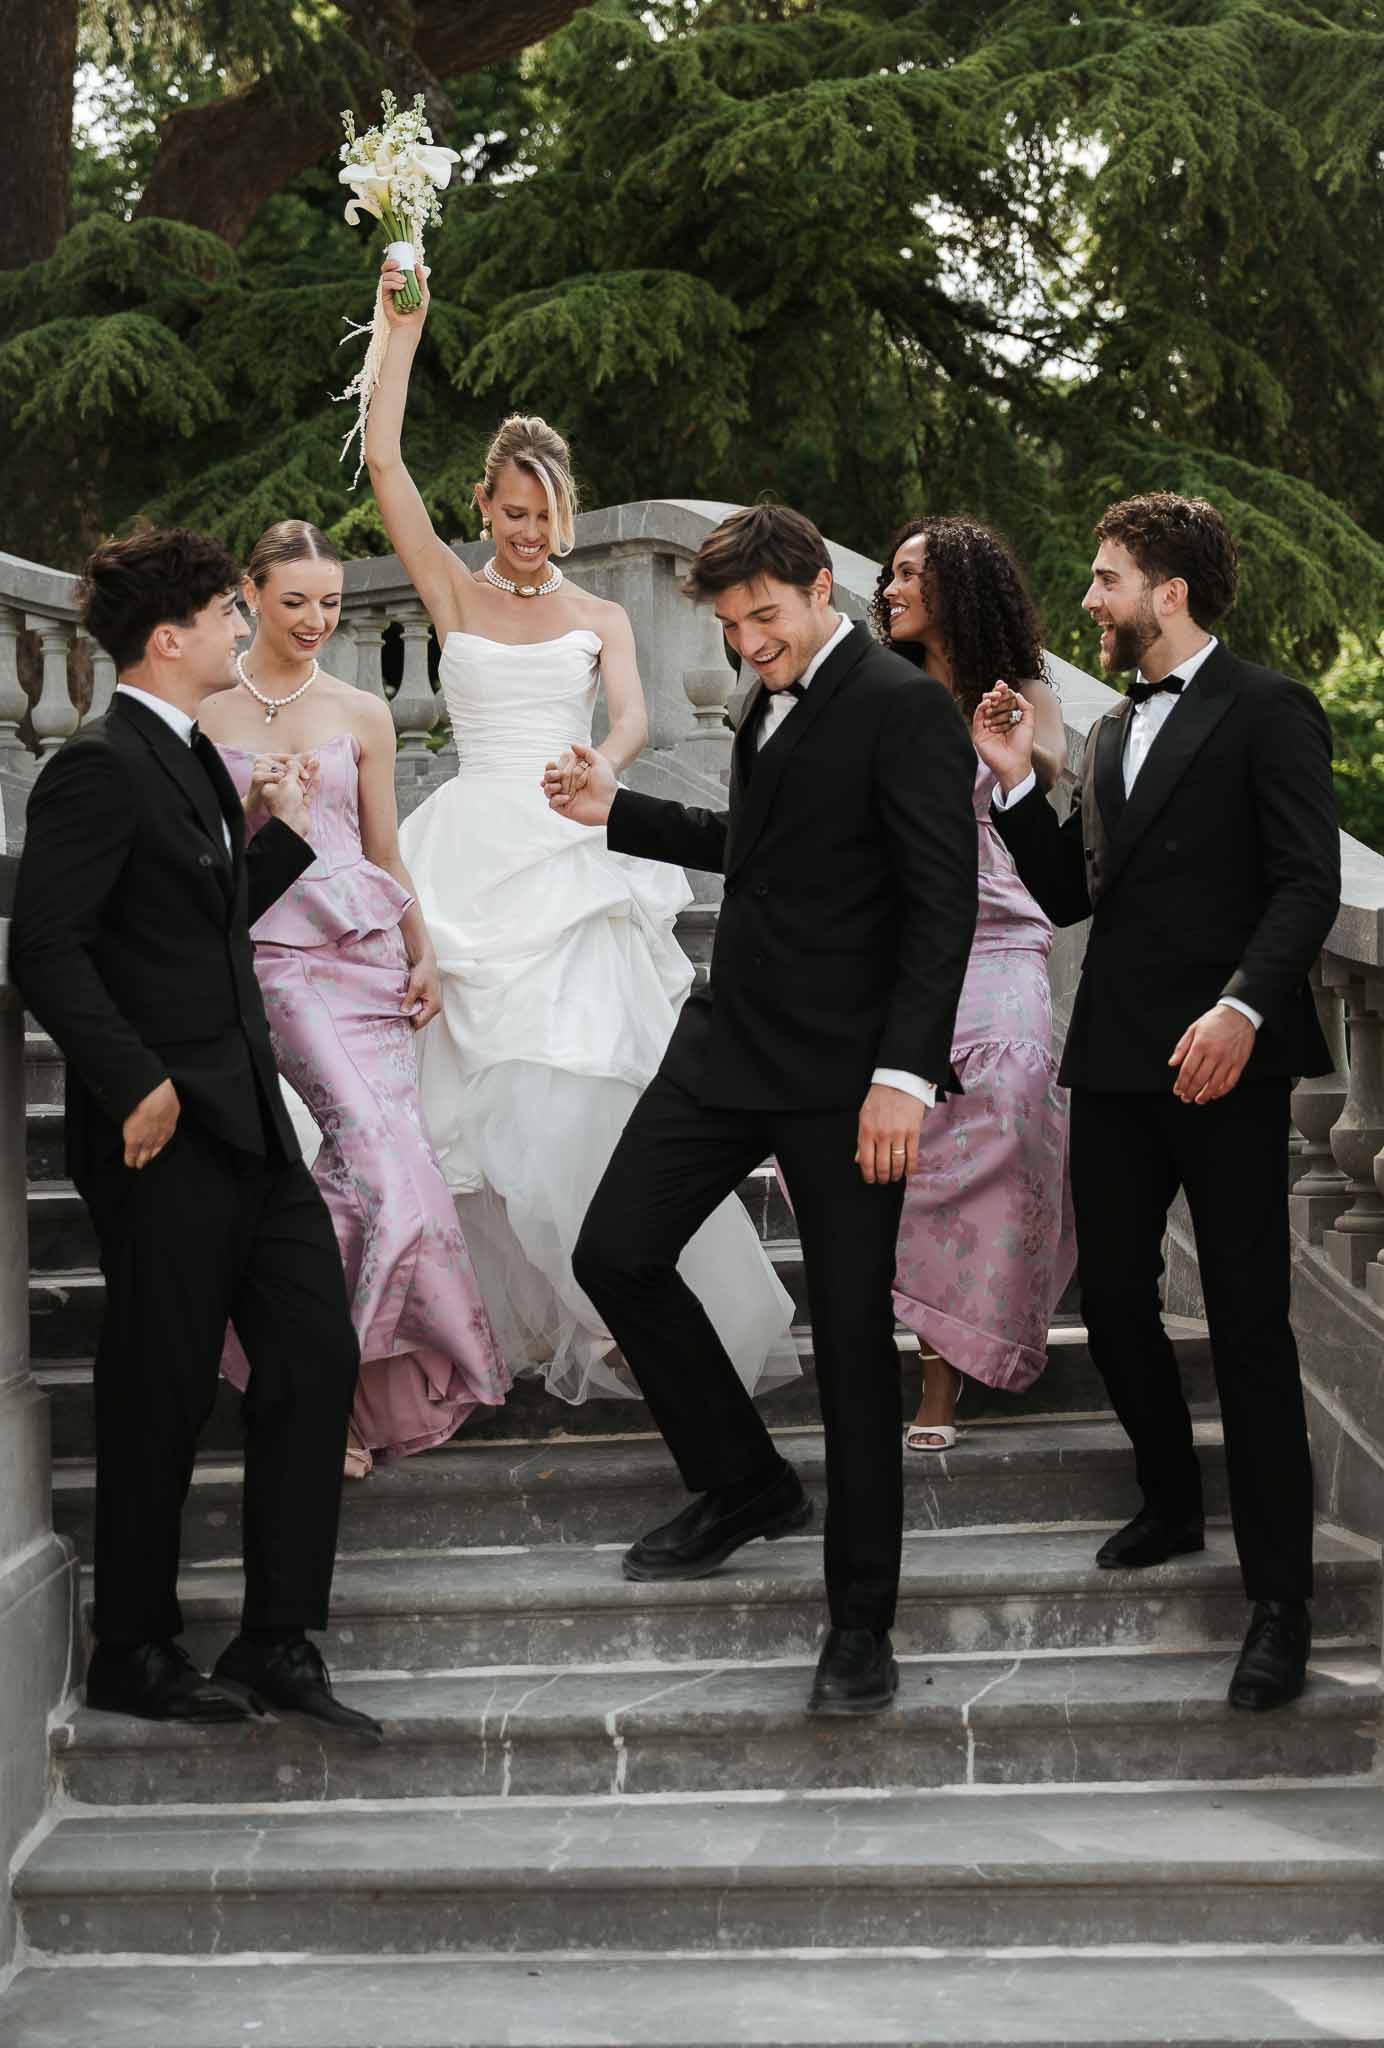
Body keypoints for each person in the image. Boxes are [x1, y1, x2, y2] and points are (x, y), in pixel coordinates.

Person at [545, 503, 979, 1717]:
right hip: (726, 1042)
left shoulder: (903, 707)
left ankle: (860, 1622)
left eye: (764, 617)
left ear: (820, 587)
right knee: (614, 1249)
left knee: (849, 1346)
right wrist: (616, 809)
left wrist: (902, 1076)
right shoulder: (766, 695)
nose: (747, 643)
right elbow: (769, 844)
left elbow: (939, 906)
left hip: (848, 1079)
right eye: (732, 626)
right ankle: (744, 1482)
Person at [364, 253, 797, 1404]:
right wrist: (399, 331)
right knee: (476, 1107)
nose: (527, 531)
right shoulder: (452, 592)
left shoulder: (600, 611)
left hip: (566, 848)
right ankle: (503, 1320)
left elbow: (637, 716)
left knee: (584, 1090)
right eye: (510, 513)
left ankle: (615, 1306)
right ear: (484, 507)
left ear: (565, 509)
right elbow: (383, 462)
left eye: (543, 514)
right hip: (468, 856)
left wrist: (602, 764)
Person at [11, 528, 378, 1736]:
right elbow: (46, 948)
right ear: (168, 638)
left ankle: (278, 1636)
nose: (243, 625)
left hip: (253, 1130)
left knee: (315, 1359)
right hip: (163, 1138)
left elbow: (205, 931)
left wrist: (274, 832)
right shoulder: (96, 766)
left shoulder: (192, 761)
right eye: (229, 610)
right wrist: (133, 1083)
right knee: (158, 1392)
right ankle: (134, 1647)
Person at [979, 491, 1340, 1713]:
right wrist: (1014, 784)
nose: (1088, 597)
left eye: (1105, 577)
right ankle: (1171, 1498)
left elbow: (1306, 882)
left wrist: (1242, 1008)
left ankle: (1280, 1603)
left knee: (1247, 1326)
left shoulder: (1270, 708)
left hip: (1227, 1060)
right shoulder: (1105, 732)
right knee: (1116, 1301)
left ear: (1166, 592)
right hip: (1120, 1057)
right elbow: (1070, 898)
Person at [198, 519, 509, 1479]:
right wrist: (257, 809)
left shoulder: (363, 711)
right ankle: (321, 1390)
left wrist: (423, 952)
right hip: (278, 959)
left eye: (330, 603)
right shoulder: (206, 713)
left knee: (386, 1178)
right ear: (251, 594)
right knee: (380, 1164)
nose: (316, 620)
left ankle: (307, 1377)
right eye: (295, 601)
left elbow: (385, 851)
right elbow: (198, 864)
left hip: (370, 957)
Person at [873, 517, 1076, 1448]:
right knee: (905, 1137)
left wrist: (1014, 752)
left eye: (910, 573)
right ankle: (936, 1371)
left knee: (1016, 1101)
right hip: (907, 937)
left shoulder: (1024, 692)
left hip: (1002, 932)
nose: (890, 589)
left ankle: (987, 1322)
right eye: (889, 573)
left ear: (958, 585)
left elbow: (1047, 784)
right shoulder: (880, 692)